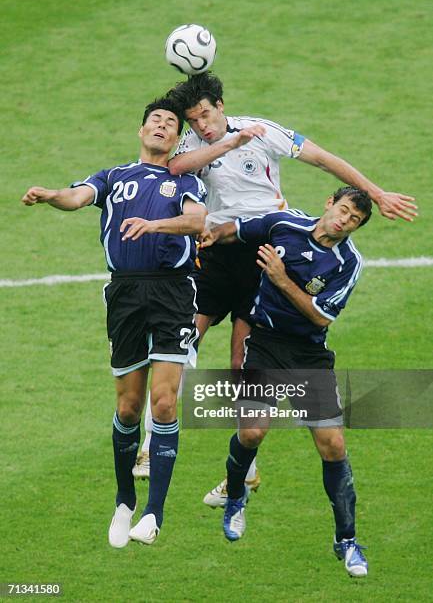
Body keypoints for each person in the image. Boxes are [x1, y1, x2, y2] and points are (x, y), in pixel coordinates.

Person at [131, 71, 416, 506]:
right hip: (215, 249)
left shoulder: (263, 131)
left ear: (221, 105)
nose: (202, 125)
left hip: (263, 252)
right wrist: (225, 144)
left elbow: (322, 158)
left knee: (242, 360)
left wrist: (375, 194)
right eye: (194, 120)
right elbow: (172, 168)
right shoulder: (196, 144)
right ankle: (152, 446)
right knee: (182, 340)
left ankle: (244, 473)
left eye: (206, 114)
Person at [21, 98, 207, 548]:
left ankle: (153, 513)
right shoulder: (114, 177)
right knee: (128, 407)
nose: (162, 126)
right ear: (141, 131)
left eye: (170, 123)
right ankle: (125, 499)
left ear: (178, 139)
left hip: (172, 292)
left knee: (163, 403)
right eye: (155, 121)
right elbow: (77, 196)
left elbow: (197, 221)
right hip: (124, 295)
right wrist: (51, 197)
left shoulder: (184, 178)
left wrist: (155, 226)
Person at [203, 186, 371, 577]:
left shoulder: (348, 263)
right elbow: (244, 228)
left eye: (354, 220)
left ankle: (346, 540)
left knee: (332, 445)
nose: (344, 221)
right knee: (251, 433)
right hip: (263, 344)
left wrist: (280, 279)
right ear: (329, 204)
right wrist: (215, 234)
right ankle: (235, 498)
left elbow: (320, 318)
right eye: (343, 210)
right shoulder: (285, 223)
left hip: (309, 357)